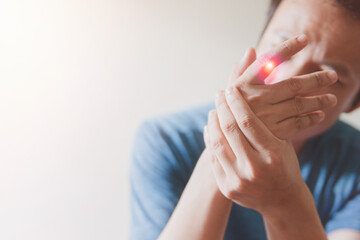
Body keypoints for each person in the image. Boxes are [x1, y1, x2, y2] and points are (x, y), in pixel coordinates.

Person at [130, 0, 360, 239]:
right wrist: (221, 149)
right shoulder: (167, 141)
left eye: (326, 77)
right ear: (258, 45)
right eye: (282, 51)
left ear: (354, 102)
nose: (291, 81)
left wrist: (284, 200)